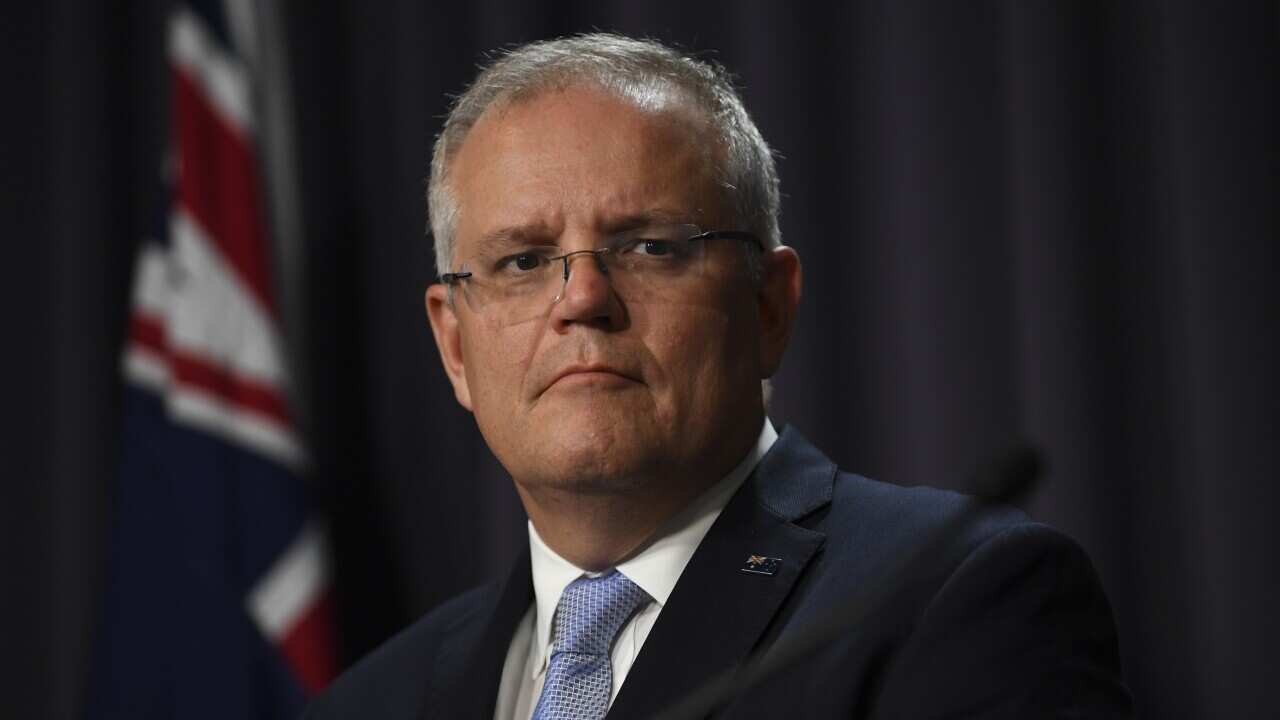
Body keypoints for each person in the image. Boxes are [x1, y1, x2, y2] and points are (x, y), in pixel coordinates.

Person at [305, 33, 1131, 719]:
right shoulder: (369, 703)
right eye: (523, 260)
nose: (583, 298)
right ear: (455, 345)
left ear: (769, 306)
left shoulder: (956, 604)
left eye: (651, 246)